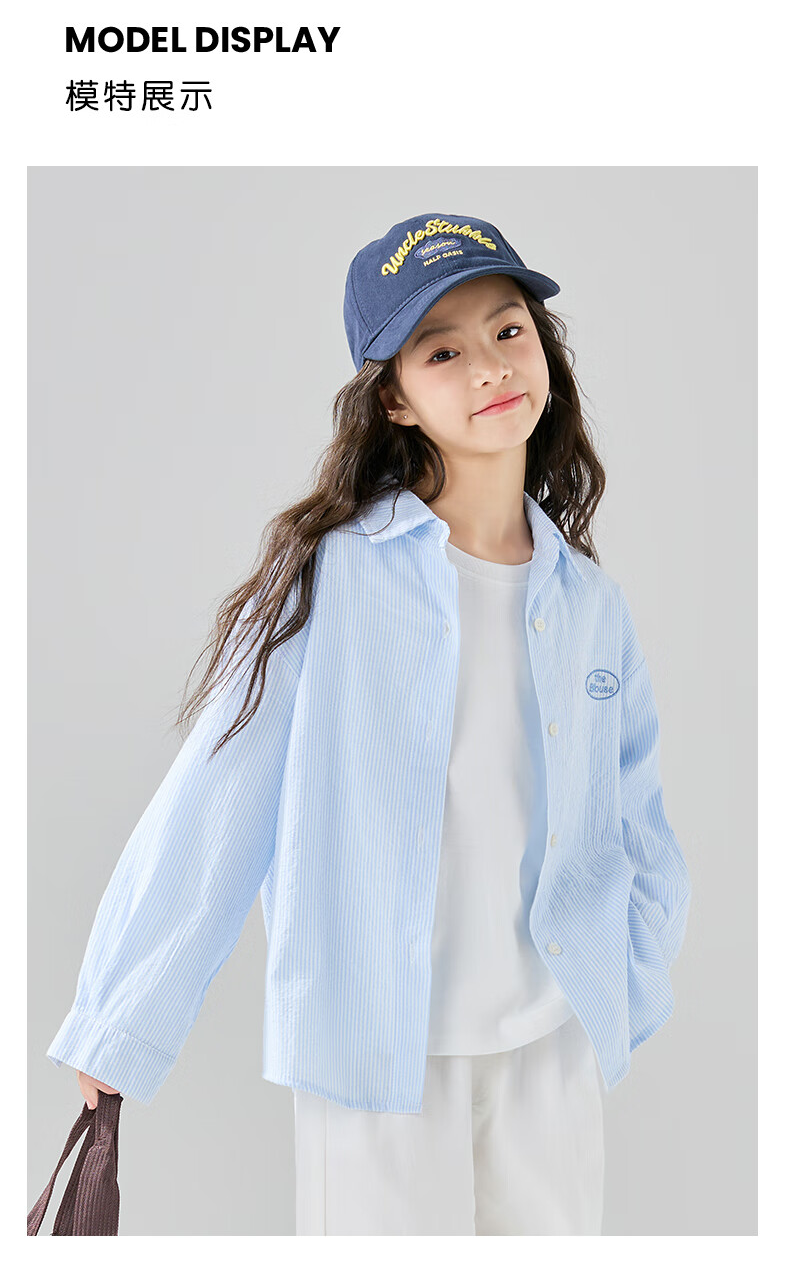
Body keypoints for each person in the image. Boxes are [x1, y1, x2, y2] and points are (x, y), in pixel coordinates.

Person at [46, 211, 692, 1235]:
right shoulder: (332, 579)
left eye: (509, 330)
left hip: (551, 1038)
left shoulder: (587, 603)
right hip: (379, 1049)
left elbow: (635, 814)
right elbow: (217, 798)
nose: (490, 366)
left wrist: (630, 974)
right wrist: (120, 1017)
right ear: (394, 397)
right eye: (443, 351)